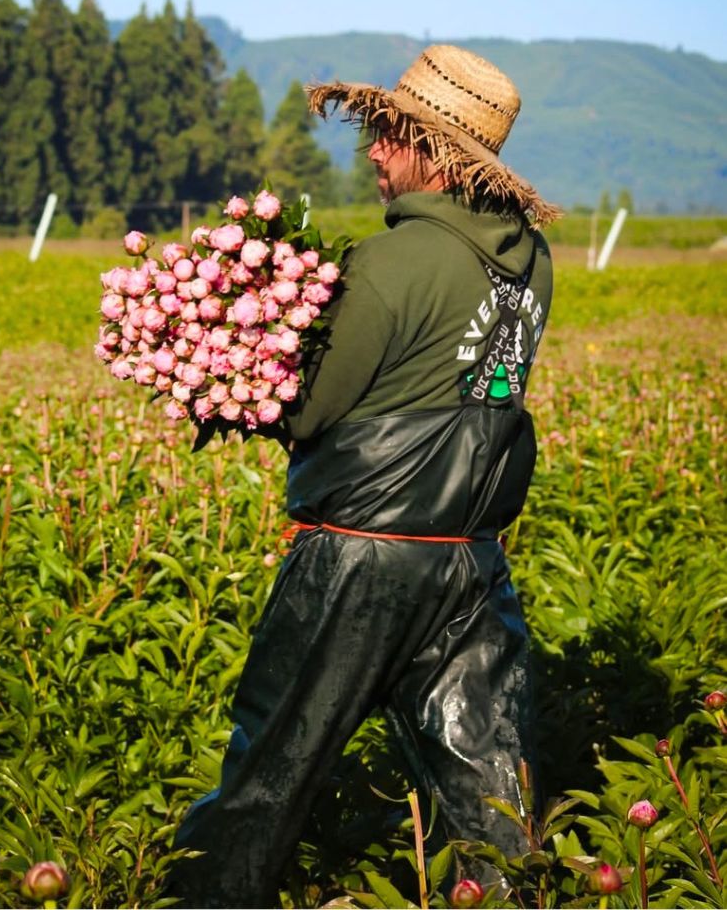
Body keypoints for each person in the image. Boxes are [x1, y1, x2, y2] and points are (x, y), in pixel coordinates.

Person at [167, 44, 560, 908]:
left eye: (390, 135)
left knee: (269, 773)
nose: (375, 152)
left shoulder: (392, 263)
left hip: (357, 561)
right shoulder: (532, 262)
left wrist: (224, 368)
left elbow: (310, 413)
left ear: (437, 154)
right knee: (487, 786)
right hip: (469, 559)